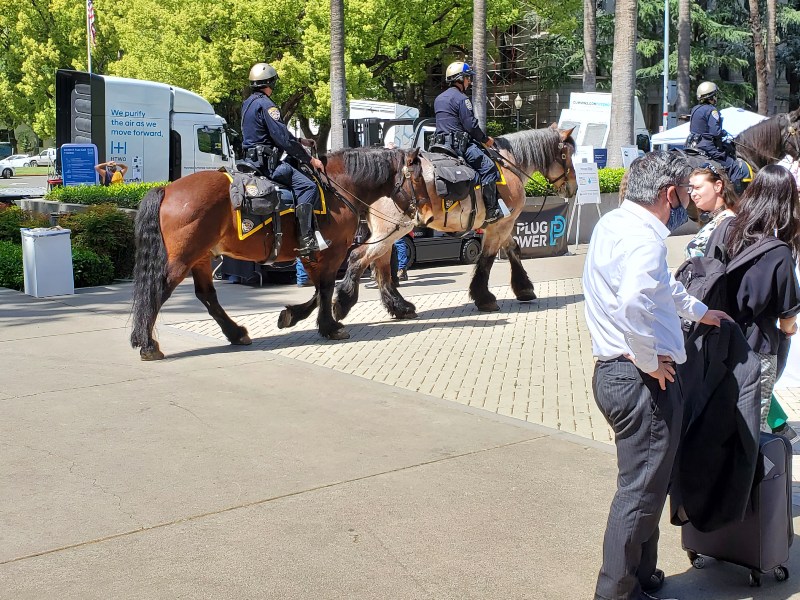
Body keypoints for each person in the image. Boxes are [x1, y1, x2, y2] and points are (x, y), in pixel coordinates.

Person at [582, 151, 730, 600]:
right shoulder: (644, 237)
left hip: (619, 374)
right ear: (669, 194)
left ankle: (642, 574)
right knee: (640, 493)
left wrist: (701, 313)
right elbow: (633, 303)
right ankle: (616, 591)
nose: (687, 199)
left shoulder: (616, 224)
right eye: (684, 192)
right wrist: (648, 359)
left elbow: (662, 285)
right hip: (640, 380)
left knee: (648, 481)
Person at [719, 164, 800, 429]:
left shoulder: (724, 229)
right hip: (757, 349)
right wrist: (790, 329)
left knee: (720, 423)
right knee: (752, 431)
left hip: (717, 343)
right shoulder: (779, 253)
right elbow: (788, 318)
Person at [241, 62, 324, 256]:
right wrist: (310, 160)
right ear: (270, 82)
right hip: (268, 166)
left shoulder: (248, 104)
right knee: (308, 186)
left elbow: (267, 133)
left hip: (250, 161)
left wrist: (300, 140)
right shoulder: (268, 105)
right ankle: (306, 239)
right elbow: (283, 139)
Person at [433, 61, 505, 224]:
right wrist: (486, 140)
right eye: (467, 78)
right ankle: (492, 210)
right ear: (460, 79)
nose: (469, 82)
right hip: (459, 146)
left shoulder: (439, 98)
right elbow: (470, 125)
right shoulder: (462, 98)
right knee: (489, 167)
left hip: (439, 146)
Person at [686, 82, 740, 186]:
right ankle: (734, 192)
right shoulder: (712, 110)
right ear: (711, 97)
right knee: (732, 164)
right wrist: (723, 133)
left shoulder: (695, 109)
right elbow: (715, 132)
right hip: (707, 146)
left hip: (691, 144)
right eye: (715, 95)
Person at [684, 163, 737, 259]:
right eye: (691, 189)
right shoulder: (716, 219)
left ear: (717, 186)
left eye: (697, 188)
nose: (692, 194)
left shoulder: (729, 221)